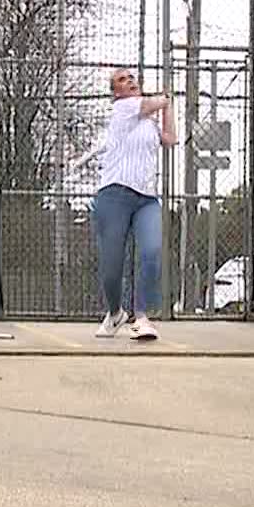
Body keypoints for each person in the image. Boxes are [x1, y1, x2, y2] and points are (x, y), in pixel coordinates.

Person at [85, 67, 178, 340]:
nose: (131, 81)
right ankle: (115, 313)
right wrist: (164, 97)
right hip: (114, 195)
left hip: (146, 199)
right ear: (117, 92)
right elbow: (153, 102)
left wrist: (168, 106)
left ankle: (142, 317)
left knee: (151, 251)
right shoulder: (123, 109)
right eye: (123, 80)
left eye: (132, 78)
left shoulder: (147, 121)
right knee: (112, 266)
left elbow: (170, 138)